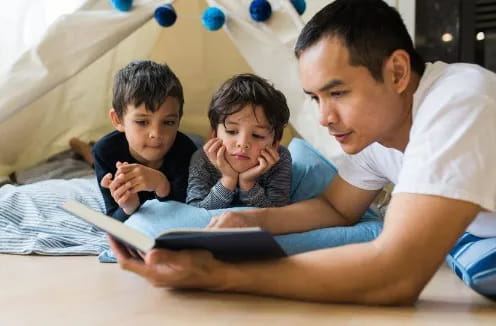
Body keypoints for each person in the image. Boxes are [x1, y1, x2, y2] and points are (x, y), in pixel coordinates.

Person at [109, 0, 496, 304]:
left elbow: (396, 275)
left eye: (338, 93)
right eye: (315, 98)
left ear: (396, 72)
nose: (325, 118)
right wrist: (250, 221)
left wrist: (217, 276)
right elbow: (335, 208)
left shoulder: (459, 102)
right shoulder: (377, 135)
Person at [93, 60, 197, 221]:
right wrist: (128, 207)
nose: (156, 134)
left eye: (168, 122)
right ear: (118, 120)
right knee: (90, 155)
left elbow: (188, 211)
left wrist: (162, 185)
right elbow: (113, 220)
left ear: (179, 120)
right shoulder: (105, 152)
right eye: (142, 122)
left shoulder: (187, 151)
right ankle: (80, 148)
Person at [186, 74, 291, 209]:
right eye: (231, 131)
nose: (242, 143)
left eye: (257, 135)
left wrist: (248, 183)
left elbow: (278, 215)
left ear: (275, 143)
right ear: (214, 134)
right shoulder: (202, 159)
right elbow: (195, 211)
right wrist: (228, 179)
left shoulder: (280, 159)